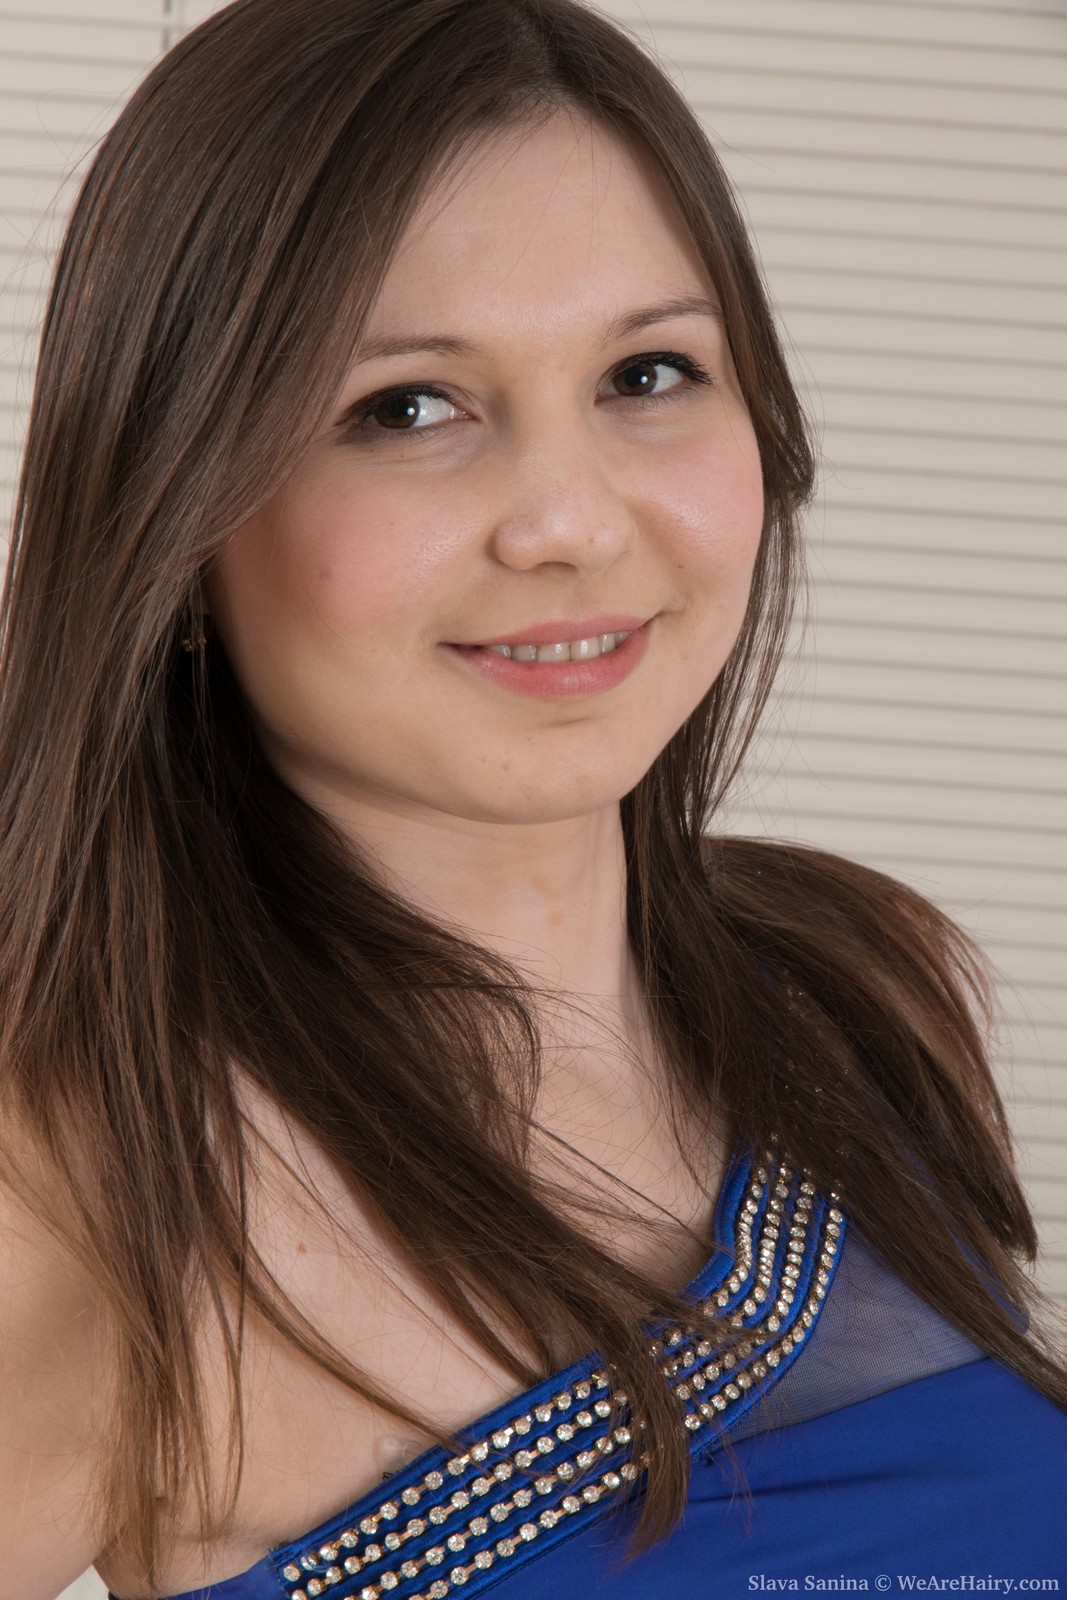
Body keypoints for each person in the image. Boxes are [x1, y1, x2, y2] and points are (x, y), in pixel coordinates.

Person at [0, 2, 1064, 1597]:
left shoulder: (860, 995)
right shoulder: (88, 1186)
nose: (572, 521)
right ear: (179, 514)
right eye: (407, 407)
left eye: (649, 372)